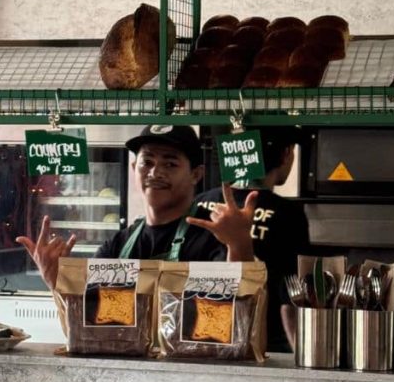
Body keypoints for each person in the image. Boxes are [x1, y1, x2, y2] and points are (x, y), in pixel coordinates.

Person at [16, 124, 257, 292]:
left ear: (196, 174)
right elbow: (87, 320)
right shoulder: (119, 245)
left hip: (193, 365)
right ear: (134, 169)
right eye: (147, 162)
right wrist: (55, 280)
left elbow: (239, 305)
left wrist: (239, 246)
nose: (155, 172)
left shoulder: (213, 236)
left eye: (170, 163)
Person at [192, 127, 311, 353]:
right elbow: (291, 295)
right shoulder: (288, 214)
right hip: (262, 343)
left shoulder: (199, 203)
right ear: (287, 154)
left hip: (198, 335)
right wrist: (301, 355)